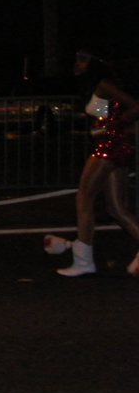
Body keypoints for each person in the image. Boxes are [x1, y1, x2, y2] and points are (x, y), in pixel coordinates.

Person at [45, 48, 139, 276]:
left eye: (83, 59)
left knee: (84, 197)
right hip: (112, 146)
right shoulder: (95, 86)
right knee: (116, 208)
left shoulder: (104, 84)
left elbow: (136, 106)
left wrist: (114, 127)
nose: (77, 63)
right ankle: (83, 259)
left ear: (95, 64)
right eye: (77, 58)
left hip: (109, 147)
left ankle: (83, 260)